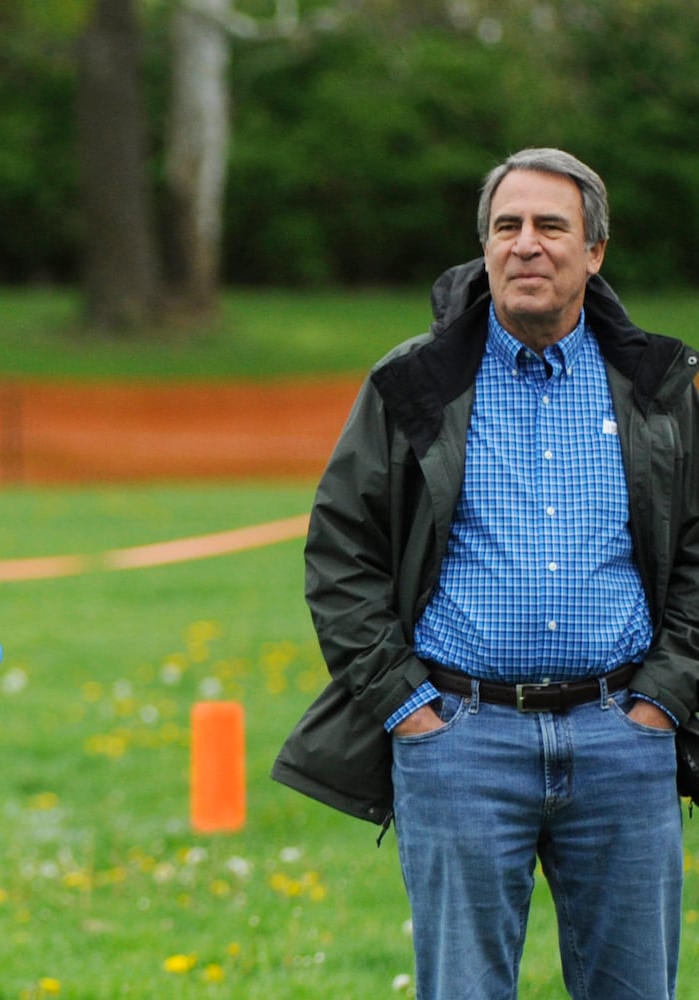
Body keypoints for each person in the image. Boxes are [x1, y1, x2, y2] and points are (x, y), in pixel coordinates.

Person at [272, 148, 699, 999]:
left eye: (551, 226)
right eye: (507, 226)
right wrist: (407, 707)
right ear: (484, 246)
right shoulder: (412, 383)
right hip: (460, 742)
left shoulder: (659, 384)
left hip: (625, 738)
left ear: (595, 252)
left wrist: (665, 700)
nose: (526, 246)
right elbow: (340, 554)